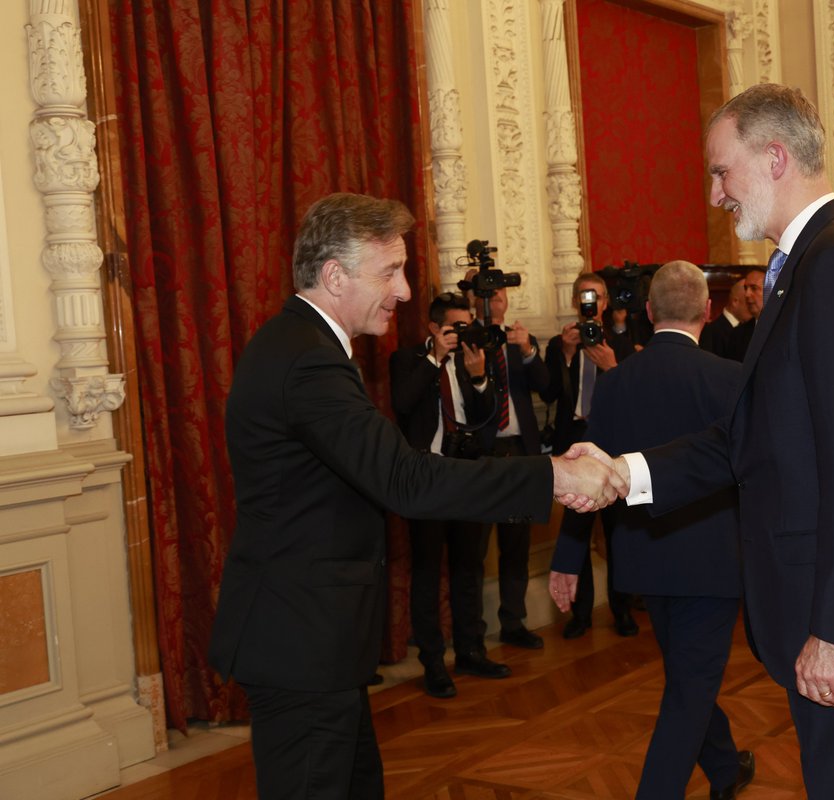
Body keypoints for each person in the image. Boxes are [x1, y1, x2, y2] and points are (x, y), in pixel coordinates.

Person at [592, 84, 834, 798]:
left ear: (774, 156)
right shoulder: (806, 265)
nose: (714, 193)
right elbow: (751, 437)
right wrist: (620, 473)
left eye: (720, 170)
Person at [207, 193, 623, 800]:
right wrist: (552, 475)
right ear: (333, 275)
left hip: (317, 638)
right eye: (389, 272)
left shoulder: (304, 346)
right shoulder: (307, 362)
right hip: (300, 643)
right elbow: (404, 478)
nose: (403, 292)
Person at [549, 261, 752, 799]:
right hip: (713, 564)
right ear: (706, 312)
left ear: (647, 312)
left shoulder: (615, 385)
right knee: (689, 690)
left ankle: (727, 766)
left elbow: (585, 474)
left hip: (644, 560)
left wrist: (568, 556)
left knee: (689, 679)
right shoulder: (731, 381)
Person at [390, 292, 510, 698]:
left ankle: (471, 650)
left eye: (464, 326)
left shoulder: (471, 359)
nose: (460, 334)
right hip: (426, 478)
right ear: (433, 327)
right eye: (453, 328)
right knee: (426, 570)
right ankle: (433, 662)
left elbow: (486, 417)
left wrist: (479, 378)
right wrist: (434, 360)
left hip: (466, 476)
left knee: (469, 566)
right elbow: (402, 403)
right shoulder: (408, 360)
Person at [542, 272, 637, 639]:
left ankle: (622, 610)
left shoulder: (621, 344)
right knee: (575, 533)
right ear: (573, 303)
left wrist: (612, 366)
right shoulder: (559, 343)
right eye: (584, 296)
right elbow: (550, 394)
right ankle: (580, 614)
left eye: (596, 296)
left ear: (605, 302)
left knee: (618, 536)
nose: (591, 303)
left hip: (613, 448)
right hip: (573, 447)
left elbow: (632, 398)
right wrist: (567, 355)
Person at [462, 269, 551, 648]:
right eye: (486, 293)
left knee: (516, 547)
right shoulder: (464, 340)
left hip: (519, 453)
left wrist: (529, 351)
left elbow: (548, 391)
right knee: (474, 551)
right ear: (471, 299)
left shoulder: (520, 338)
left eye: (499, 292)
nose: (495, 298)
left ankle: (513, 622)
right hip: (480, 456)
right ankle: (472, 636)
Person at [699, 276, 750, 360]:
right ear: (735, 302)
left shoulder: (748, 328)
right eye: (748, 302)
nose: (751, 307)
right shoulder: (711, 332)